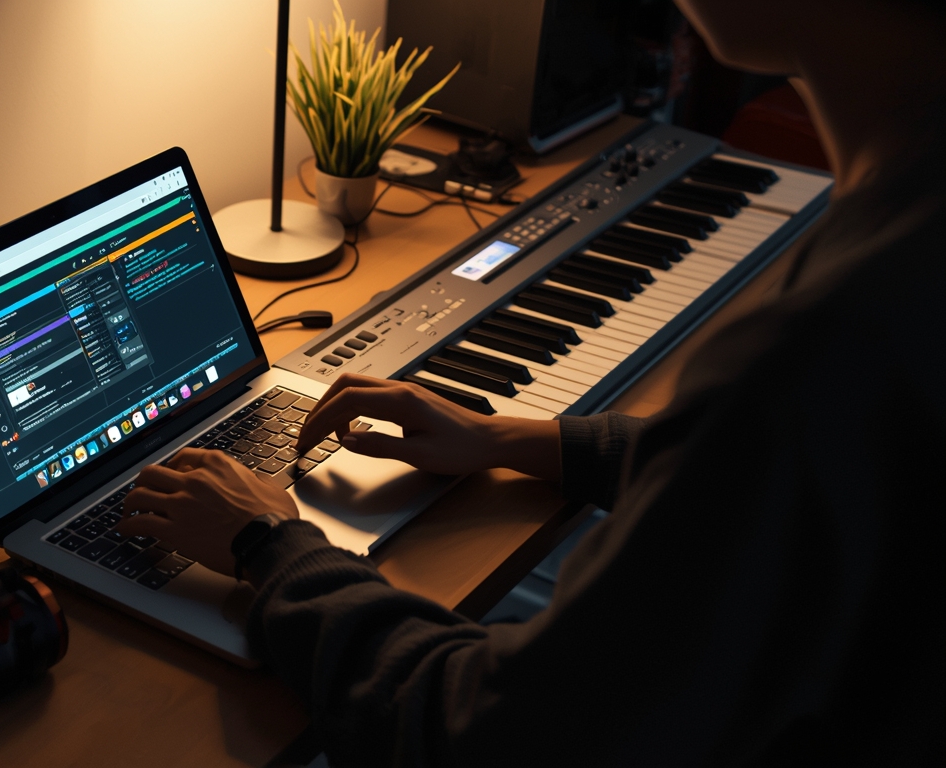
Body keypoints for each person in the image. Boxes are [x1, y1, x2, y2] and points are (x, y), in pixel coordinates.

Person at [117, 0, 946, 763]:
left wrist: (272, 545)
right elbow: (787, 466)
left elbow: (485, 732)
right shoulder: (893, 257)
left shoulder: (812, 352)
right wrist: (513, 438)